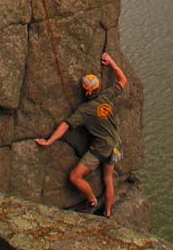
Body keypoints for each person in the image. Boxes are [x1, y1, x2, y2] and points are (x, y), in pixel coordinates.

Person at [36, 52, 127, 217]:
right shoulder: (107, 97)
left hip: (100, 149)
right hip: (116, 145)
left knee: (75, 177)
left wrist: (49, 141)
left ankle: (91, 200)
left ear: (84, 91)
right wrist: (111, 62)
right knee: (108, 179)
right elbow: (122, 80)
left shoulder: (84, 111)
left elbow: (65, 126)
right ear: (98, 88)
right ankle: (107, 212)